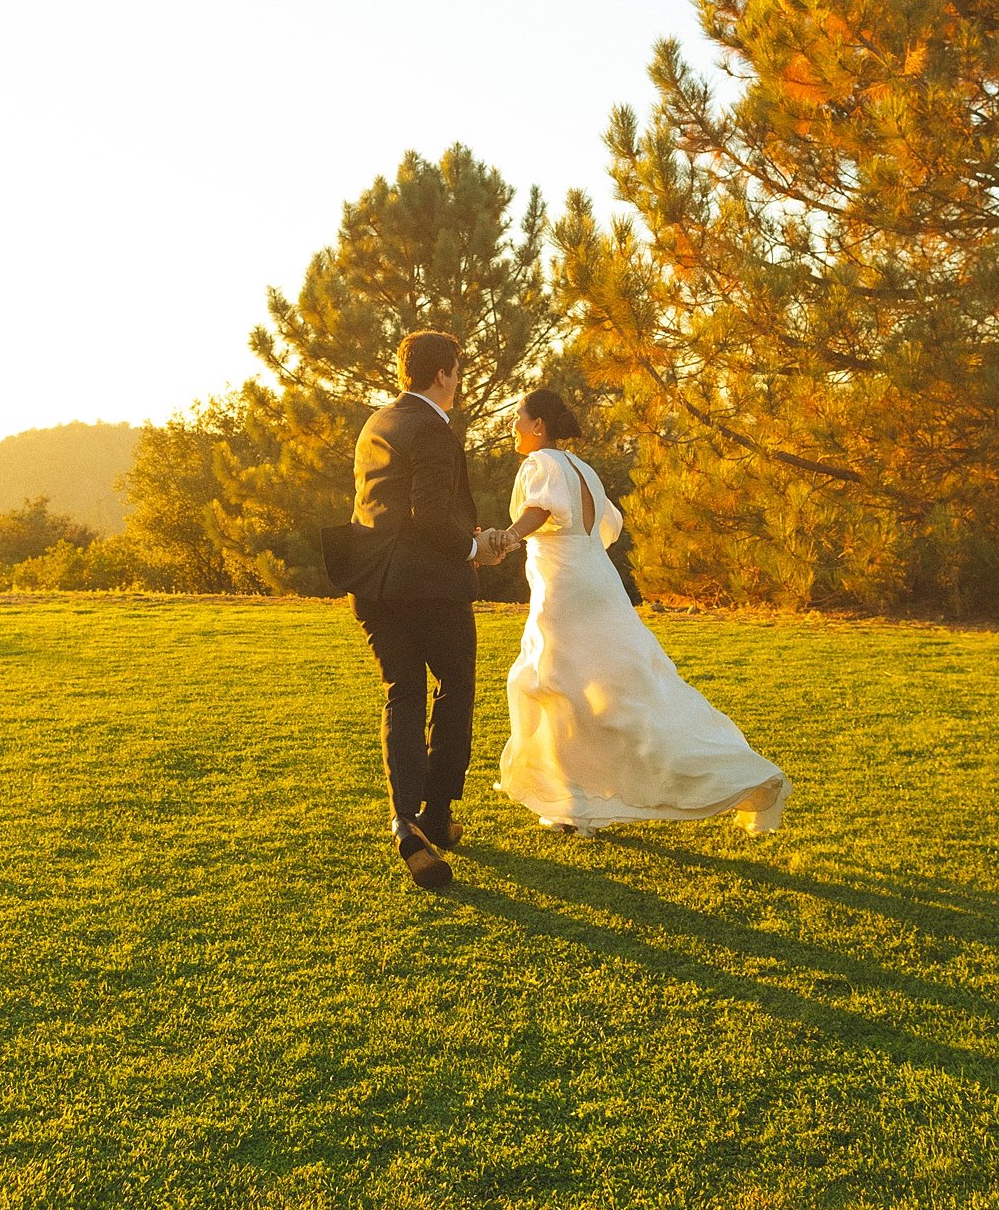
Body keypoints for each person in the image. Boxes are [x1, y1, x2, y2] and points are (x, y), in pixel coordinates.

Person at [494, 388, 790, 836]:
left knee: (548, 683)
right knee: (614, 688)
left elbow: (541, 507)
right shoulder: (585, 470)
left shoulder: (541, 463)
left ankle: (574, 801)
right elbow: (608, 527)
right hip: (599, 580)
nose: (513, 425)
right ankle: (576, 805)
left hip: (565, 588)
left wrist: (510, 538)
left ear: (538, 425)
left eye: (518, 416)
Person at [321, 330, 508, 890]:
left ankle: (406, 823)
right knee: (455, 685)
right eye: (458, 370)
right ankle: (438, 810)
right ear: (442, 374)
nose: (460, 380)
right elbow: (428, 514)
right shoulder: (433, 428)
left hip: (373, 583)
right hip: (429, 584)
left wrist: (463, 535)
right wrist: (475, 547)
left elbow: (393, 509)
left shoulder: (378, 422)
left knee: (402, 693)